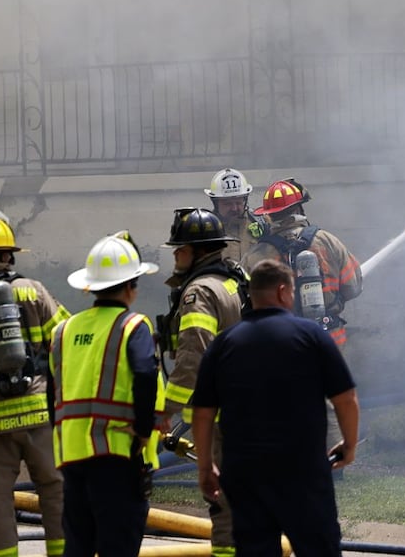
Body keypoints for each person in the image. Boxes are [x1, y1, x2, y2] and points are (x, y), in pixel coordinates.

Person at [191, 260, 358, 557]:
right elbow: (345, 399)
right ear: (283, 291)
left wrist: (206, 466)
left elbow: (202, 413)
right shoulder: (312, 336)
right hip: (302, 470)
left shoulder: (224, 343)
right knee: (319, 548)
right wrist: (349, 444)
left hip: (244, 472)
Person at [49, 232, 164, 557]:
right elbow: (145, 373)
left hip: (71, 455)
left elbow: (52, 390)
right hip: (116, 454)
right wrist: (142, 430)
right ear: (131, 286)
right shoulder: (133, 325)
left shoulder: (64, 330)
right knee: (118, 544)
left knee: (78, 545)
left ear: (89, 287)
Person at [159, 208, 247, 557]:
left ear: (196, 251)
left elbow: (193, 354)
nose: (176, 256)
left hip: (224, 412)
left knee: (223, 500)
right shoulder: (235, 278)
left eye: (179, 249)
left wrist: (167, 407)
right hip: (251, 403)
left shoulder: (199, 292)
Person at [0, 215, 71, 557]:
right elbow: (64, 335)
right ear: (9, 255)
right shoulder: (31, 289)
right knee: (54, 487)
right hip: (37, 411)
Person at [242, 180, 362, 349]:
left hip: (281, 344)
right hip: (329, 342)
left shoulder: (255, 255)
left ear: (269, 215)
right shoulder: (327, 241)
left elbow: (245, 304)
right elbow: (353, 287)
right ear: (299, 209)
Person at [204, 169, 261, 258]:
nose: (234, 208)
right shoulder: (206, 230)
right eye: (228, 204)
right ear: (216, 203)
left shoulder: (259, 224)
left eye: (238, 203)